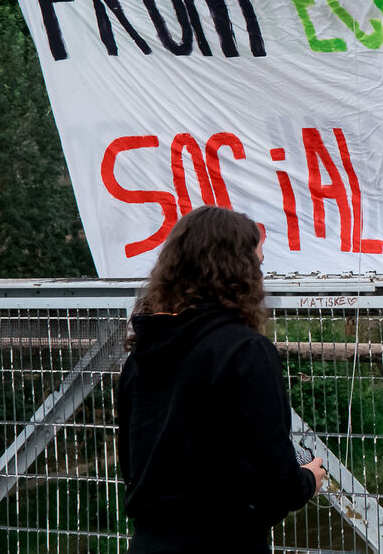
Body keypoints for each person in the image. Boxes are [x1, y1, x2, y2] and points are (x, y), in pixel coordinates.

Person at [117, 206, 325, 553]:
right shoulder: (245, 352)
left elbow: (132, 467)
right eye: (258, 265)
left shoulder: (141, 354)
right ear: (238, 273)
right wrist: (306, 481)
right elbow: (273, 484)